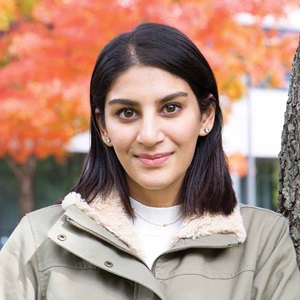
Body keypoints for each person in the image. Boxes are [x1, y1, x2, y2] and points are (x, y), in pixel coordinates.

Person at [0, 23, 299, 300]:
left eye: (170, 108)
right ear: (103, 126)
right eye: (127, 113)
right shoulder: (38, 240)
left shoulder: (264, 242)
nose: (149, 135)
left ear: (205, 116)